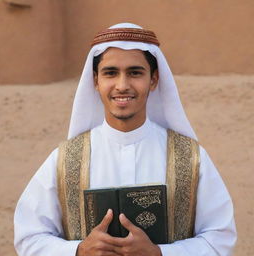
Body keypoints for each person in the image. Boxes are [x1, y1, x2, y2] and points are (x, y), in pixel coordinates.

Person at [14, 23, 237, 256]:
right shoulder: (65, 159)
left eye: (135, 72)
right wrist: (78, 251)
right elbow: (29, 237)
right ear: (96, 81)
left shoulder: (190, 157)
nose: (122, 85)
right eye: (110, 73)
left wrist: (159, 253)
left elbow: (220, 238)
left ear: (153, 80)